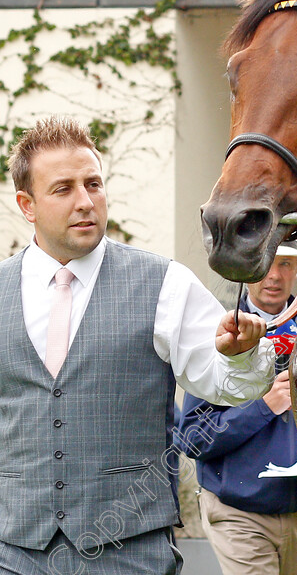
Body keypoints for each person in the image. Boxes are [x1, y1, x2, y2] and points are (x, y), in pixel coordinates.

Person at [0, 116, 275, 575]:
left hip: (130, 552)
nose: (86, 202)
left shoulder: (164, 283)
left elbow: (232, 388)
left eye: (94, 183)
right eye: (64, 189)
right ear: (27, 205)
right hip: (13, 551)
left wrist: (241, 353)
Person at [175, 241, 297, 575]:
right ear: (248, 268)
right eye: (266, 263)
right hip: (239, 512)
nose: (274, 276)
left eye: (285, 264)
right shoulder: (219, 331)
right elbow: (193, 437)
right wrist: (265, 407)